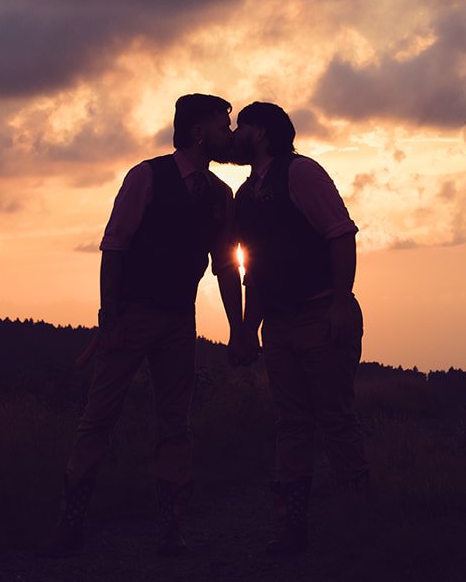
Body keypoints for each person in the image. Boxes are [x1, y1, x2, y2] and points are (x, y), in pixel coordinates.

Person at [44, 93, 243, 557]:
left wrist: (237, 328)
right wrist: (108, 317)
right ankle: (69, 526)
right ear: (198, 131)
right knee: (98, 420)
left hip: (178, 322)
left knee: (175, 424)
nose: (228, 136)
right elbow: (114, 247)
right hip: (131, 318)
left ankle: (171, 529)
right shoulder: (146, 177)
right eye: (222, 126)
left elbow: (225, 266)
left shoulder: (220, 195)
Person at [227, 101, 369, 554]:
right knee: (292, 424)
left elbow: (339, 232)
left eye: (240, 126)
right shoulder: (246, 195)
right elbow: (254, 269)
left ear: (262, 132)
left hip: (320, 314)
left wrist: (341, 303)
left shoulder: (301, 173)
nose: (233, 134)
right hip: (282, 326)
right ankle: (294, 530)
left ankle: (357, 524)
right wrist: (250, 331)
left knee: (336, 421)